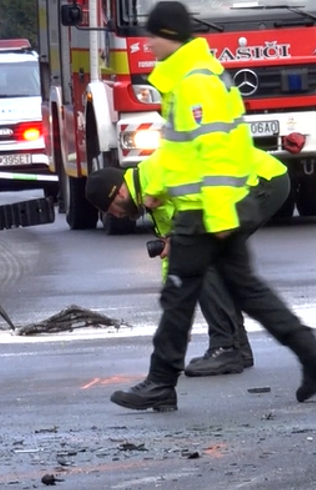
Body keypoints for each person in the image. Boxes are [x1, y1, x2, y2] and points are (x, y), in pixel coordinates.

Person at [100, 1, 316, 412]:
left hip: (207, 211)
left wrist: (215, 216)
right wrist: (163, 192)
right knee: (248, 291)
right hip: (209, 206)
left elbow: (215, 153)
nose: (148, 43)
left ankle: (161, 382)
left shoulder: (195, 83)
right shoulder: (191, 79)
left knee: (178, 296)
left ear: (171, 37)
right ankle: (314, 356)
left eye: (153, 36)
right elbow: (186, 152)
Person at [85, 146, 290, 377]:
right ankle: (237, 347)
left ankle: (225, 347)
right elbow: (173, 262)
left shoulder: (156, 172)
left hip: (260, 180)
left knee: (203, 258)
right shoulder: (152, 204)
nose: (115, 216)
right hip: (249, 185)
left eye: (111, 210)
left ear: (119, 194)